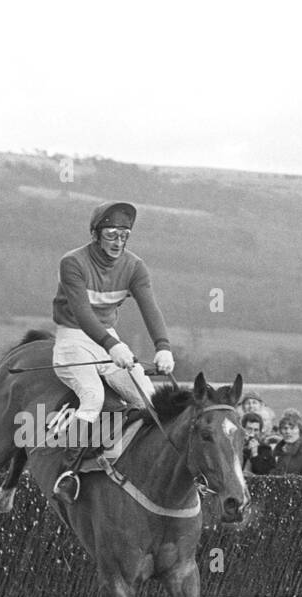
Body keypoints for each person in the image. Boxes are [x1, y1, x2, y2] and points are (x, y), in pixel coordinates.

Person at [49, 201, 174, 502]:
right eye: (112, 234)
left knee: (147, 397)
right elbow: (82, 314)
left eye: (125, 235)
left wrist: (163, 347)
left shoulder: (135, 266)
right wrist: (111, 345)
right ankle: (68, 473)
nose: (119, 242)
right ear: (96, 234)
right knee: (92, 395)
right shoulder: (72, 262)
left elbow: (150, 308)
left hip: (107, 338)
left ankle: (137, 463)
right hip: (73, 337)